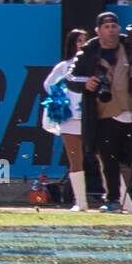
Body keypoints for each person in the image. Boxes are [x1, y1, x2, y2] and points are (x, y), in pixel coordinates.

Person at [65, 12, 132, 214]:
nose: (111, 30)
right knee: (108, 161)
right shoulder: (89, 51)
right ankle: (112, 200)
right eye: (106, 26)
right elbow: (71, 77)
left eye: (114, 26)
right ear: (98, 31)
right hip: (103, 115)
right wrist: (87, 83)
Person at [42, 29, 94, 211]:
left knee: (104, 157)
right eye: (79, 40)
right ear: (72, 44)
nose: (83, 43)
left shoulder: (96, 64)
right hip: (70, 118)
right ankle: (80, 202)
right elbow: (49, 85)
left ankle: (119, 199)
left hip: (93, 117)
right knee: (75, 159)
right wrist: (60, 99)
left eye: (86, 40)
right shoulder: (64, 66)